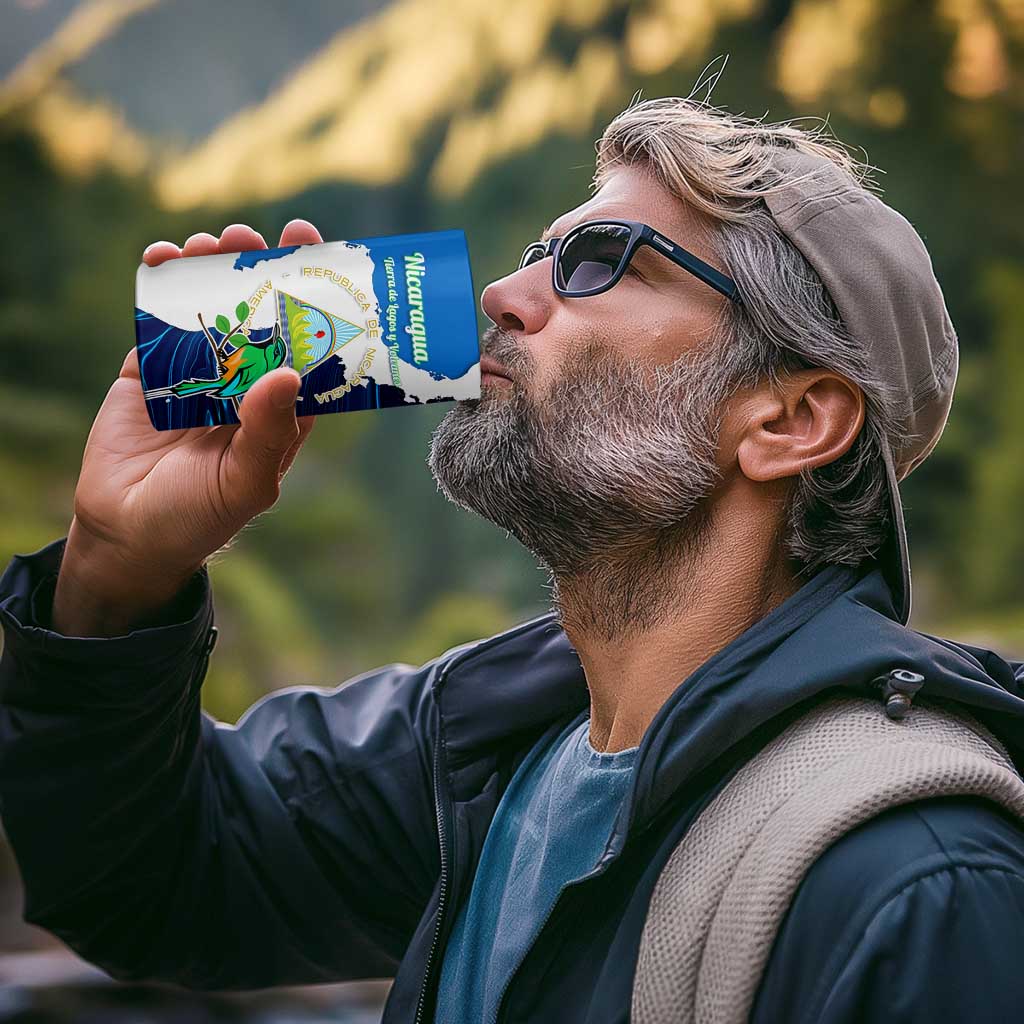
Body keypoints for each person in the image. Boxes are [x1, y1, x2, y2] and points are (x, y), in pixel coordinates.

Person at [2, 94, 1024, 1024]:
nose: (502, 290)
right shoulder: (481, 749)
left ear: (790, 419)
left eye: (599, 261)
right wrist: (116, 571)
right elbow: (148, 880)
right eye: (540, 252)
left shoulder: (918, 884)